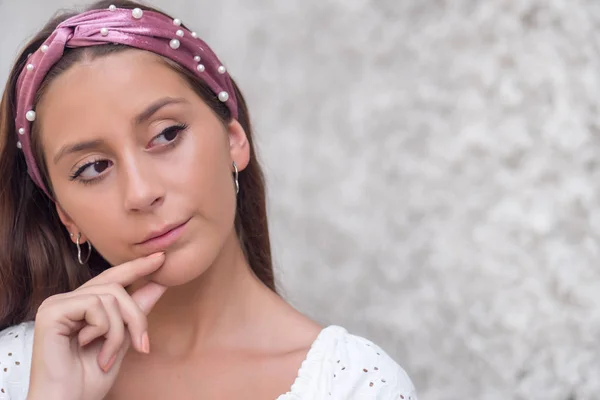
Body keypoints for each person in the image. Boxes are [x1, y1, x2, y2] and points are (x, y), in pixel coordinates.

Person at [0, 1, 418, 399]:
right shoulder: (15, 369)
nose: (143, 193)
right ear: (65, 215)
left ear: (234, 141)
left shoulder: (356, 385)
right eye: (93, 167)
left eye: (166, 135)